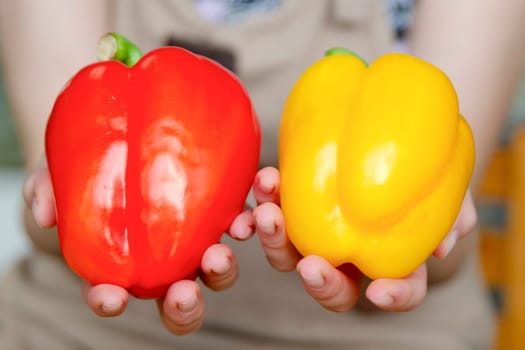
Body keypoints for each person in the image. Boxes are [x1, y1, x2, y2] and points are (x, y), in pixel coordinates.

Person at [0, 0, 524, 349]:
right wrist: (59, 207)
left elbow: (442, 217)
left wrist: (424, 248)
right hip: (69, 333)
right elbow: (60, 197)